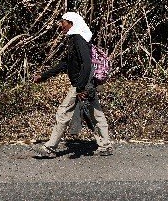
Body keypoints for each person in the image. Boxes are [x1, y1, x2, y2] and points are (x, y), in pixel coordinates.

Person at [32, 11, 113, 157]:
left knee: (63, 112)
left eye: (63, 22)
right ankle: (105, 145)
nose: (61, 25)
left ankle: (50, 148)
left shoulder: (78, 39)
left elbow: (87, 65)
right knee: (96, 114)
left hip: (81, 85)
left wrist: (81, 87)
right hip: (87, 84)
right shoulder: (74, 39)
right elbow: (65, 64)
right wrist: (44, 76)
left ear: (71, 23)